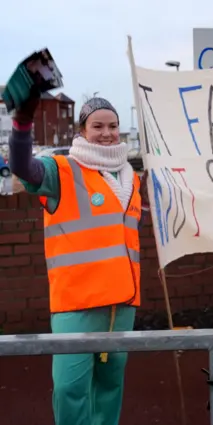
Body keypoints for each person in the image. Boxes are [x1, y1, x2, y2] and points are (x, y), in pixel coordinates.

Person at [9, 93, 145, 425]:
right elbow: (22, 166)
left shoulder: (131, 178)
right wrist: (22, 125)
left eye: (113, 126)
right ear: (81, 131)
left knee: (110, 387)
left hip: (122, 304)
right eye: (97, 126)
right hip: (76, 304)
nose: (107, 133)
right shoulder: (62, 171)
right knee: (70, 389)